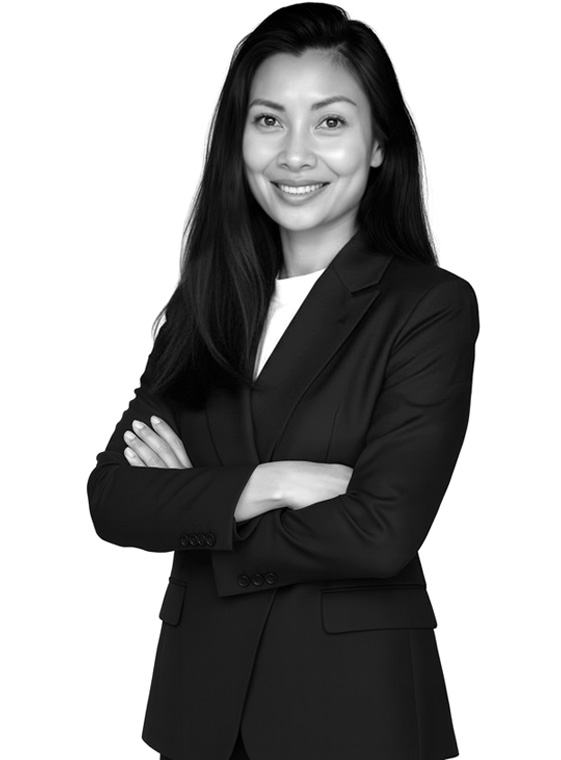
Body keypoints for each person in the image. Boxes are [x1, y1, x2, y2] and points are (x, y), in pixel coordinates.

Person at [87, 3, 479, 759]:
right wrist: (271, 483)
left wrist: (200, 503)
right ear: (237, 142)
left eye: (330, 122)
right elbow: (114, 498)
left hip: (353, 710)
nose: (295, 153)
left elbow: (380, 533)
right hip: (200, 712)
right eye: (268, 121)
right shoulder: (204, 304)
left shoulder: (427, 306)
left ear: (378, 145)